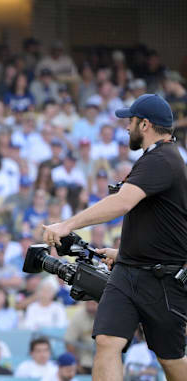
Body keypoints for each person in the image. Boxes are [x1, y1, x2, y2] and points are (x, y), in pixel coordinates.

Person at [43, 94, 187, 381]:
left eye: (130, 122)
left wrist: (66, 225)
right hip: (128, 272)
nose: (126, 128)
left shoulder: (163, 159)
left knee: (170, 360)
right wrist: (123, 255)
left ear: (144, 124)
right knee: (107, 342)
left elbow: (122, 203)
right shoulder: (154, 158)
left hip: (162, 281)